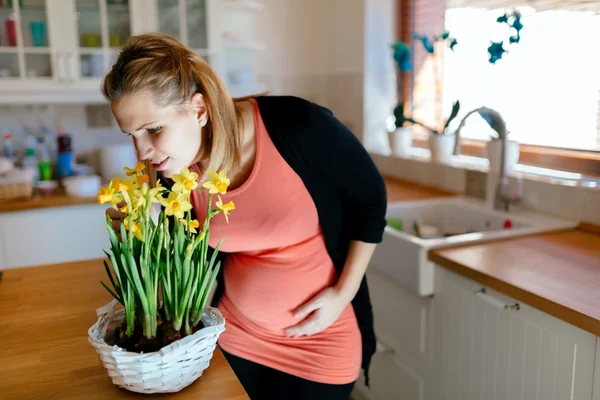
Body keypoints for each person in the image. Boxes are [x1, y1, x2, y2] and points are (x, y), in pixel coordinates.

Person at [103, 32, 387, 400]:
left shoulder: (297, 126)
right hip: (234, 335)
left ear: (199, 110)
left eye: (153, 129)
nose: (142, 152)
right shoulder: (175, 173)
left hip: (321, 343)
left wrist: (341, 294)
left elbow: (370, 198)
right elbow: (186, 264)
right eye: (132, 135)